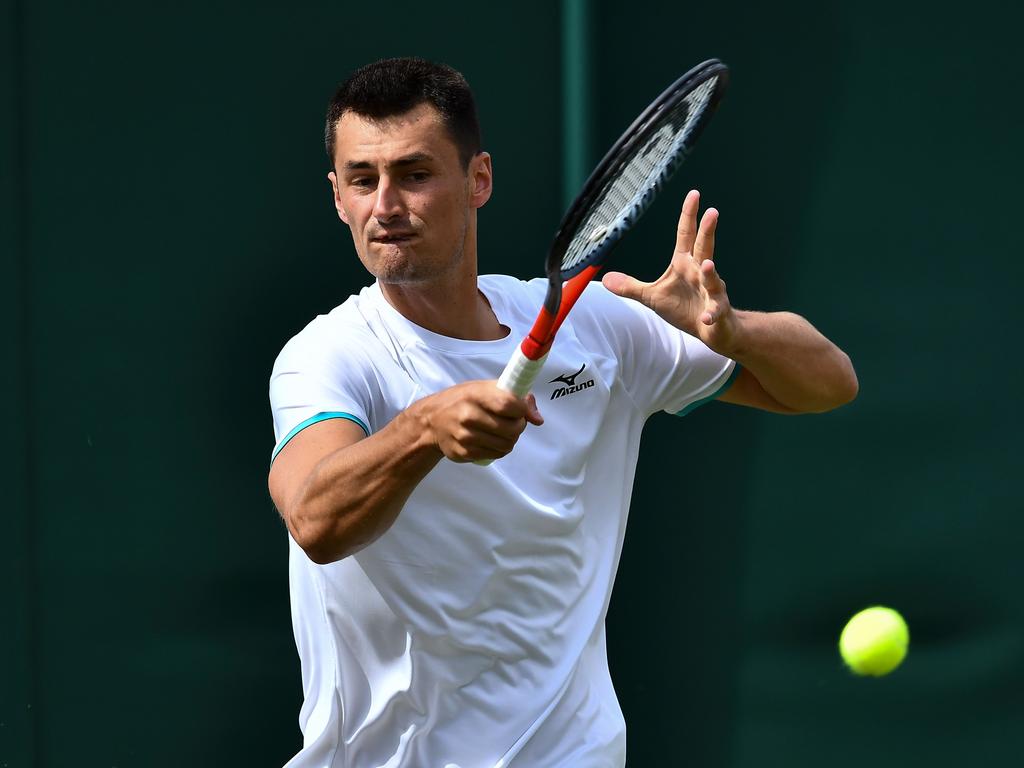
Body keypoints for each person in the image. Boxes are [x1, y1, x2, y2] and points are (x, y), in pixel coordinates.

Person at [267, 57, 857, 767]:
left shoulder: (597, 328)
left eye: (415, 174)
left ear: (477, 179)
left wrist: (734, 333)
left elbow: (829, 383)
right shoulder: (327, 358)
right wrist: (425, 429)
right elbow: (314, 520)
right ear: (338, 196)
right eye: (363, 180)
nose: (386, 205)